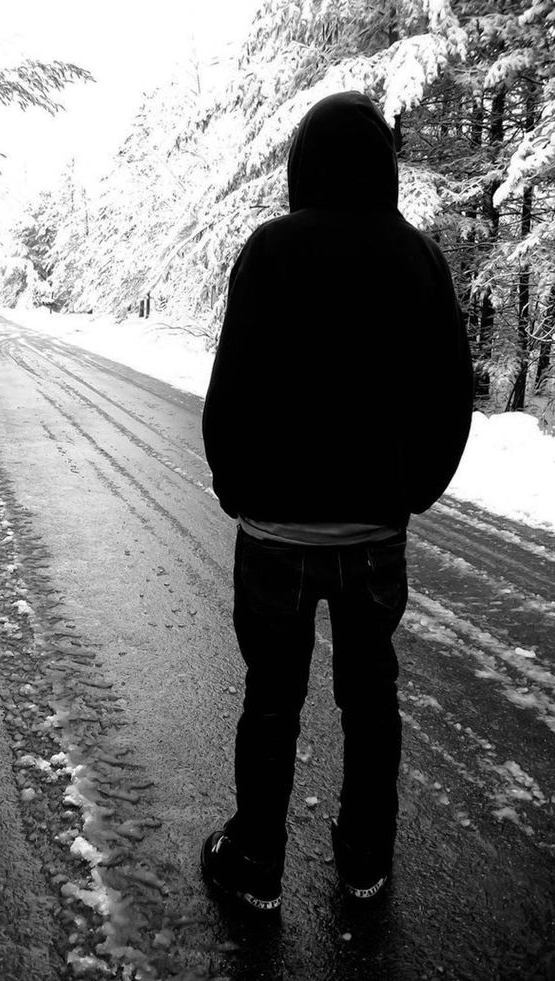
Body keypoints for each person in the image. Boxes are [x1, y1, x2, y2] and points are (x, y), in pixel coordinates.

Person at [200, 91, 473, 911]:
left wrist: (236, 486)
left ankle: (254, 861)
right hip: (373, 535)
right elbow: (449, 397)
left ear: (303, 164)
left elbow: (231, 390)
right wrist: (410, 490)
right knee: (371, 699)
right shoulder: (417, 258)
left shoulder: (271, 250)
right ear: (384, 166)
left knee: (272, 700)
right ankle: (364, 861)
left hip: (275, 530)